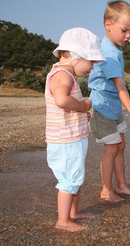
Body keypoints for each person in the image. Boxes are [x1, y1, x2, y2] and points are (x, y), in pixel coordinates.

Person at [88, 0, 130, 203]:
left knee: (120, 146)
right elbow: (120, 86)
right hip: (102, 108)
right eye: (124, 30)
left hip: (112, 108)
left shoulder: (113, 47)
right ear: (108, 25)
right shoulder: (110, 53)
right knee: (112, 148)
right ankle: (107, 190)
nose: (128, 36)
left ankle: (121, 186)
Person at [45, 27, 106, 232]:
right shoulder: (63, 76)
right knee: (69, 179)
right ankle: (63, 220)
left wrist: (80, 114)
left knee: (76, 176)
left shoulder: (64, 75)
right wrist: (84, 106)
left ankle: (73, 213)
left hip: (70, 138)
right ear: (75, 56)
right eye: (91, 62)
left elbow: (64, 105)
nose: (92, 67)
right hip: (65, 140)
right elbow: (62, 100)